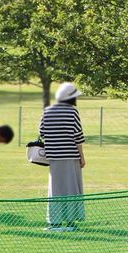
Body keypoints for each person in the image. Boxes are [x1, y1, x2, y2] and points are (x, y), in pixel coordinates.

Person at [39, 82, 87, 231]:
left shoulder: (47, 111)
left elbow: (42, 132)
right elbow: (78, 137)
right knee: (71, 189)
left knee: (55, 190)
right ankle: (71, 221)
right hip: (71, 156)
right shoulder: (72, 112)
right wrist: (82, 157)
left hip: (53, 157)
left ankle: (54, 222)